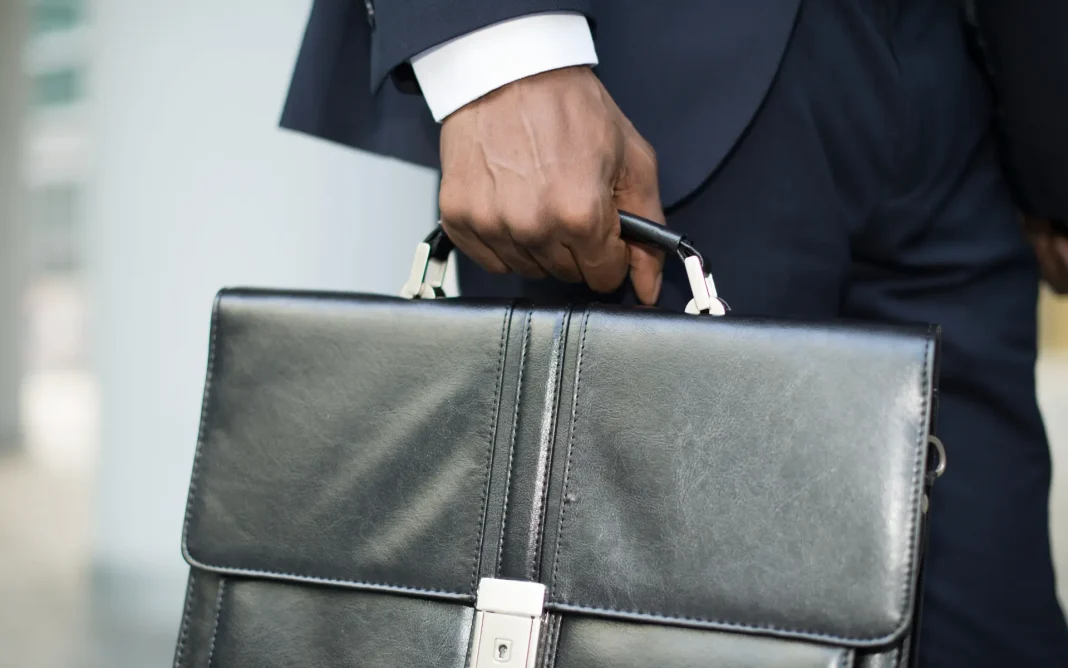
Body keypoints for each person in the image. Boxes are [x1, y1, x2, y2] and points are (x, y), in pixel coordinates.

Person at [280, 0, 1068, 664]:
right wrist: (496, 38)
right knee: (647, 633)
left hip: (965, 101)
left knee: (986, 621)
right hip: (640, 95)